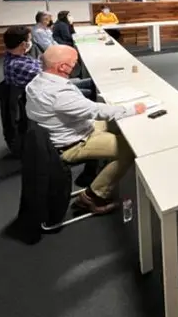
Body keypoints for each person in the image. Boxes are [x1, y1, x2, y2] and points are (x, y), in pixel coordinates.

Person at [25, 45, 146, 214]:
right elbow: (95, 111)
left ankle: (98, 170)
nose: (76, 66)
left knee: (114, 123)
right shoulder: (59, 93)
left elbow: (87, 109)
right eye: (74, 63)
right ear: (62, 67)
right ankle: (93, 197)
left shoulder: (37, 82)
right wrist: (133, 109)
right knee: (130, 149)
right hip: (74, 143)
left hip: (70, 130)